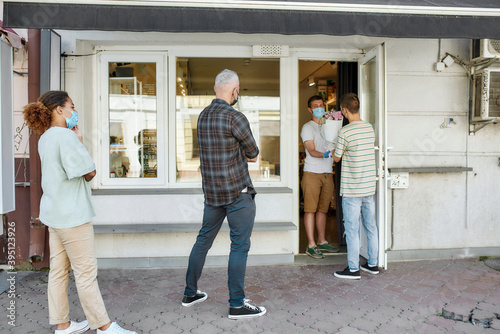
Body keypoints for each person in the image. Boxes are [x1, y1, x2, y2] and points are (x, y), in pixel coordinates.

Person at [23, 91, 137, 334]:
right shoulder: (66, 137)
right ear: (59, 110)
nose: (74, 112)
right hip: (73, 216)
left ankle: (63, 324)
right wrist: (80, 140)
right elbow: (89, 172)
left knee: (58, 272)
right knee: (85, 274)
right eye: (71, 107)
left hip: (55, 215)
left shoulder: (44, 138)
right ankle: (104, 327)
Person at [181, 69, 266, 319]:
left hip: (212, 194)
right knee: (239, 247)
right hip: (238, 193)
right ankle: (237, 304)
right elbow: (253, 154)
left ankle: (190, 292)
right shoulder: (235, 117)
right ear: (234, 90)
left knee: (203, 241)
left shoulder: (202, 116)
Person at [333, 93, 379, 280]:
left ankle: (353, 269)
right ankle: (373, 264)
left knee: (351, 229)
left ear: (344, 110)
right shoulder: (369, 128)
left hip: (352, 189)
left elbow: (337, 157)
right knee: (371, 226)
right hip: (368, 187)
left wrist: (333, 150)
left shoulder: (345, 132)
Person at [300, 95, 340, 259]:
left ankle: (322, 241)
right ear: (310, 109)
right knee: (310, 210)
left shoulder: (329, 126)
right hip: (312, 174)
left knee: (323, 210)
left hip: (327, 174)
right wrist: (326, 154)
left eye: (321, 105)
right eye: (315, 106)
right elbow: (311, 150)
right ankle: (311, 245)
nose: (319, 108)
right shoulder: (307, 127)